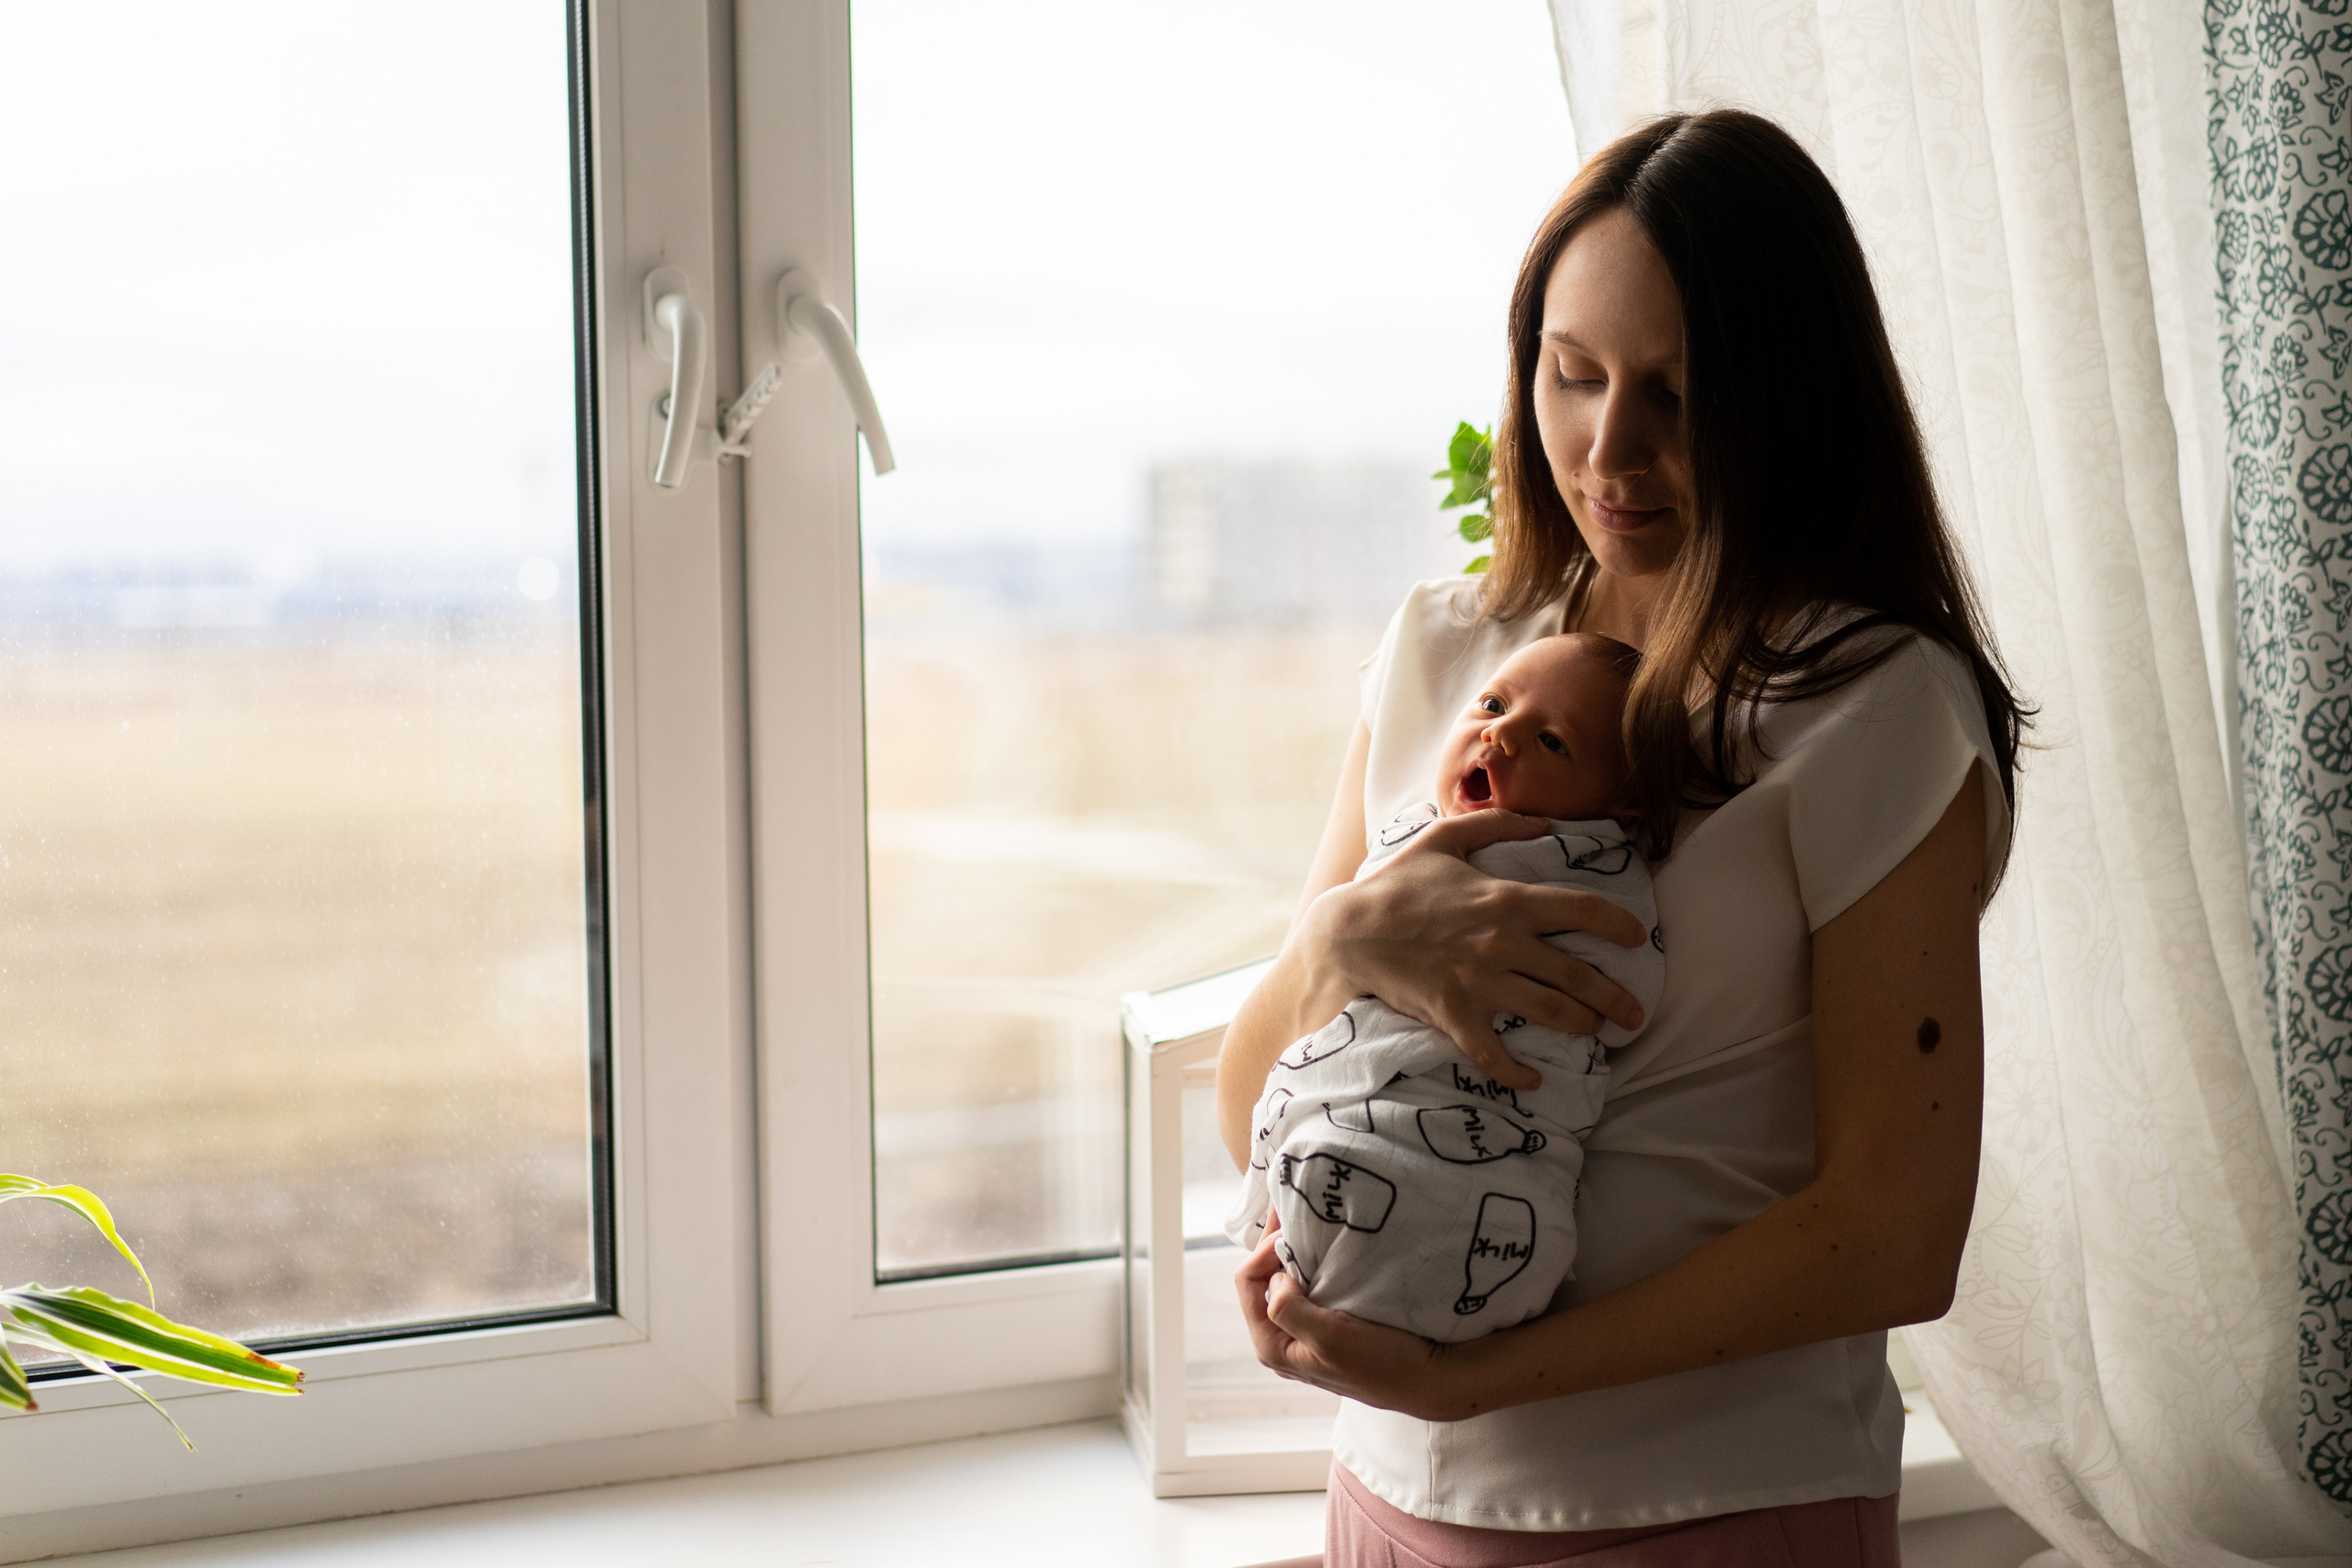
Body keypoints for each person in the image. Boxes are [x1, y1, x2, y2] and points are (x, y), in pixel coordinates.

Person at [1216, 108, 2027, 1567]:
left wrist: (1470, 1381)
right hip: (1381, 1498)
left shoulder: (1875, 709)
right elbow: (1249, 1107)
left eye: (1678, 393)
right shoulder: (1448, 649)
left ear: (1790, 400)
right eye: (1573, 374)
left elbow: (1893, 1233)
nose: (1609, 448)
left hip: (1704, 1509)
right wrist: (1339, 938)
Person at [1224, 633, 1665, 1345]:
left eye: (1551, 742)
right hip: (1354, 1115)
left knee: (1445, 1193)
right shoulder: (1411, 831)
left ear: (1621, 807)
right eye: (1492, 703)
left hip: (1482, 1129)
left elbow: (1623, 999)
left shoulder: (1594, 871)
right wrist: (1347, 933)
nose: (1500, 734)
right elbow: (1308, 998)